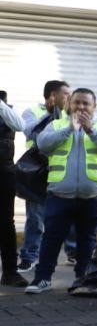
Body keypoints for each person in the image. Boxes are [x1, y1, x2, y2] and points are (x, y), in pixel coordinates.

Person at [25, 88, 97, 294]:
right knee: (51, 237)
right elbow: (43, 144)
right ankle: (42, 279)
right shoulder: (57, 125)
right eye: (77, 103)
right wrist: (69, 128)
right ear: (69, 105)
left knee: (87, 240)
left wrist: (91, 130)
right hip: (60, 194)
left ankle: (82, 280)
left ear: (94, 107)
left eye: (86, 103)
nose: (81, 107)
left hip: (93, 194)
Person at [17, 81, 71, 273]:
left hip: (61, 169)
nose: (69, 97)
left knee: (68, 212)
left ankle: (73, 253)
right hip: (38, 172)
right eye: (65, 94)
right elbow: (31, 131)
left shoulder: (69, 114)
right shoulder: (32, 112)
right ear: (52, 96)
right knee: (36, 216)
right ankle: (29, 256)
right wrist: (51, 116)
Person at [0, 92, 25, 286]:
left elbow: (20, 125)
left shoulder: (6, 109)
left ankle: (10, 272)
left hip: (4, 173)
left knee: (6, 223)